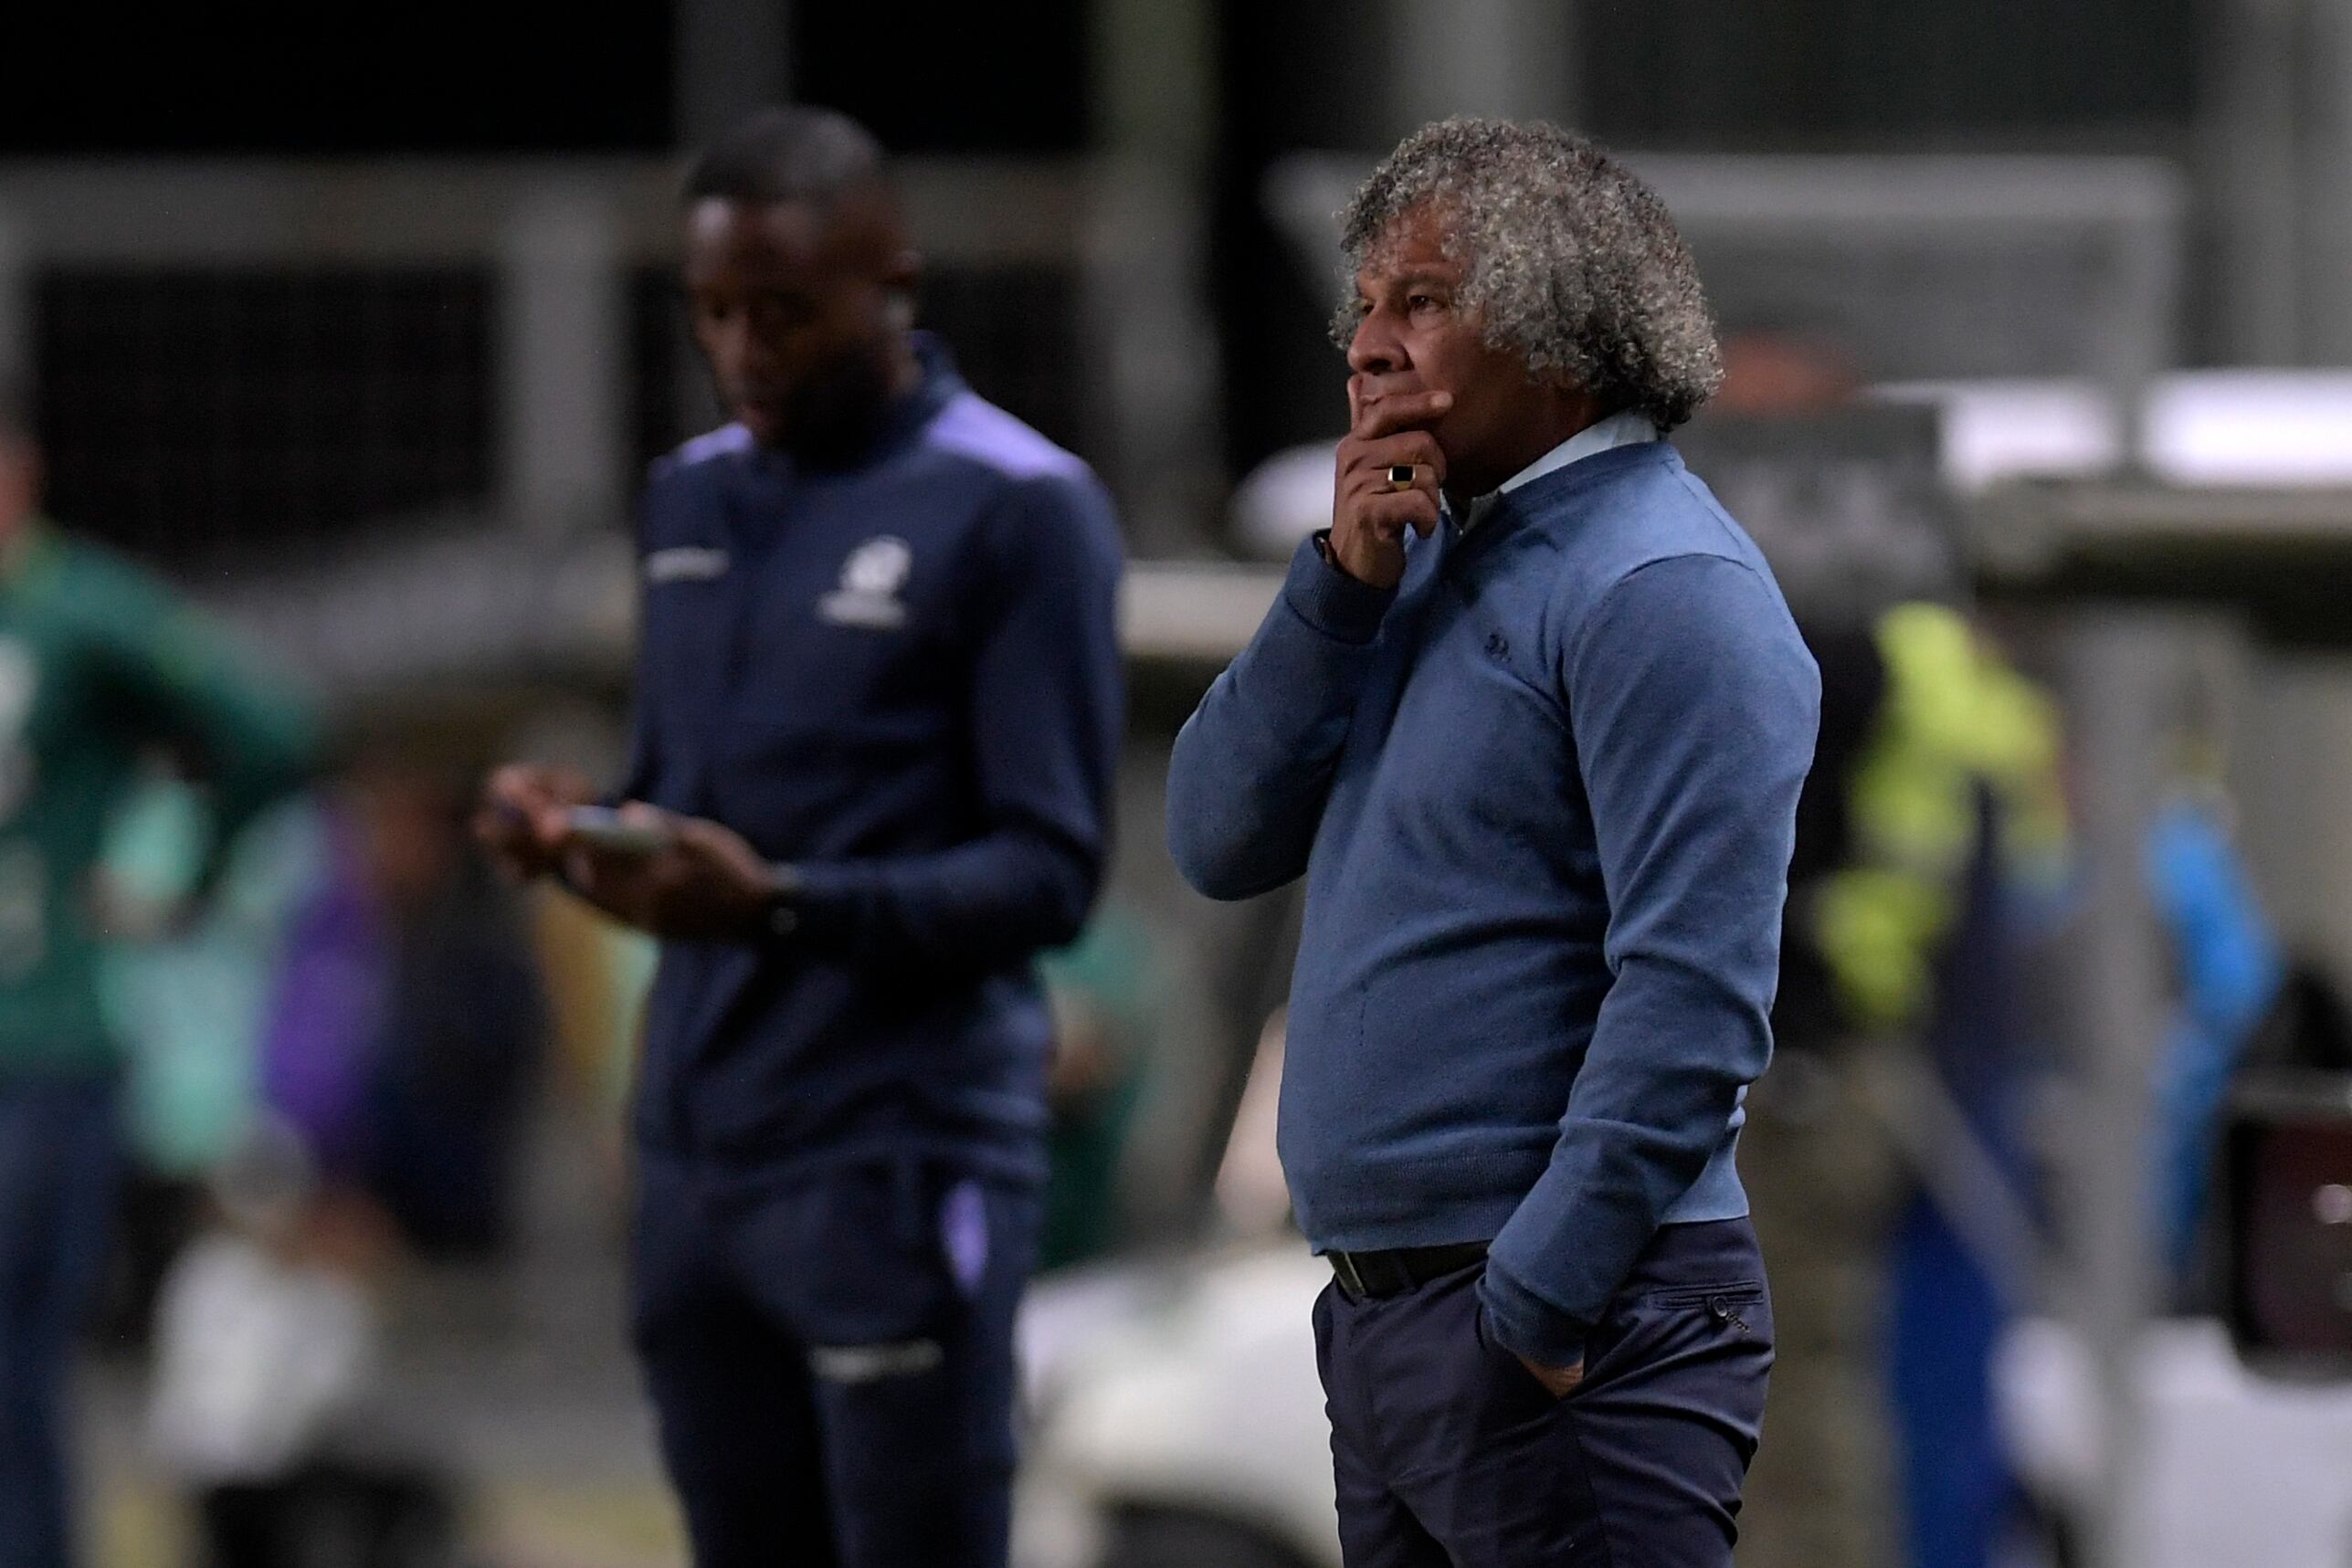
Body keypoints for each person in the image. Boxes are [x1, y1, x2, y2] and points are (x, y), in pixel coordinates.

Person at [475, 107, 1123, 1568]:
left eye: (783, 310)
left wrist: (782, 907)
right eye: (714, 312)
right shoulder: (690, 496)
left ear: (892, 278)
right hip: (700, 1160)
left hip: (893, 1158)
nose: (745, 350)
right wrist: (577, 835)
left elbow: (1048, 869)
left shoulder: (1019, 507)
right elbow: (684, 809)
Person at [1166, 119, 1819, 1568]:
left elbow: (1695, 999)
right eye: (1365, 306)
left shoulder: (1663, 585)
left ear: (1563, 328)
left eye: (1424, 300)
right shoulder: (1406, 562)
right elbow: (1211, 832)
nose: (1369, 345)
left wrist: (1529, 1311)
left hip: (1572, 1328)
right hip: (1389, 1321)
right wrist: (1333, 598)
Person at [0, 381, 314, 1568]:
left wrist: (187, 876)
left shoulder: (78, 611)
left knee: (14, 1361)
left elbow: (270, 726)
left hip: (47, 1035)